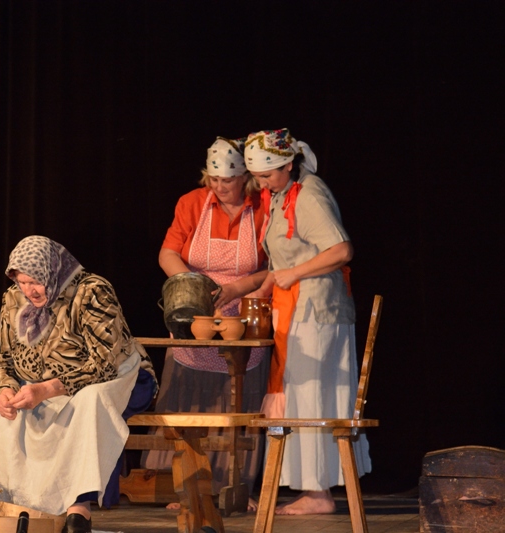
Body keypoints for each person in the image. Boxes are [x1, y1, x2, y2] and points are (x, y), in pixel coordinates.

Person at [0, 236, 158, 533]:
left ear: (52, 271)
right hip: (41, 387)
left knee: (88, 401)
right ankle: (27, 501)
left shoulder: (91, 291)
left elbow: (104, 363)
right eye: (22, 282)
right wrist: (5, 388)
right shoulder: (13, 299)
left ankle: (78, 507)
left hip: (117, 379)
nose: (29, 290)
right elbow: (1, 359)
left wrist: (46, 389)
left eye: (36, 281)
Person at [243, 128, 371, 515]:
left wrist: (295, 274)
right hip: (296, 308)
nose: (261, 184)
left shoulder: (310, 194)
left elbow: (341, 250)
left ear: (287, 165)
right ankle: (314, 490)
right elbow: (283, 262)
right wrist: (257, 290)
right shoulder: (280, 195)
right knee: (299, 395)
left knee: (313, 394)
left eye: (266, 175)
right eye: (258, 177)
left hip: (318, 311)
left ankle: (319, 494)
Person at [143, 137, 270, 510]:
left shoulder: (262, 207)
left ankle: (235, 486)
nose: (219, 187)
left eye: (227, 181)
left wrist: (236, 289)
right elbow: (168, 253)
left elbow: (274, 266)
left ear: (245, 178)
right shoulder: (193, 203)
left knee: (235, 398)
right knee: (189, 400)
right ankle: (181, 486)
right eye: (214, 180)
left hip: (243, 311)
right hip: (196, 311)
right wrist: (194, 286)